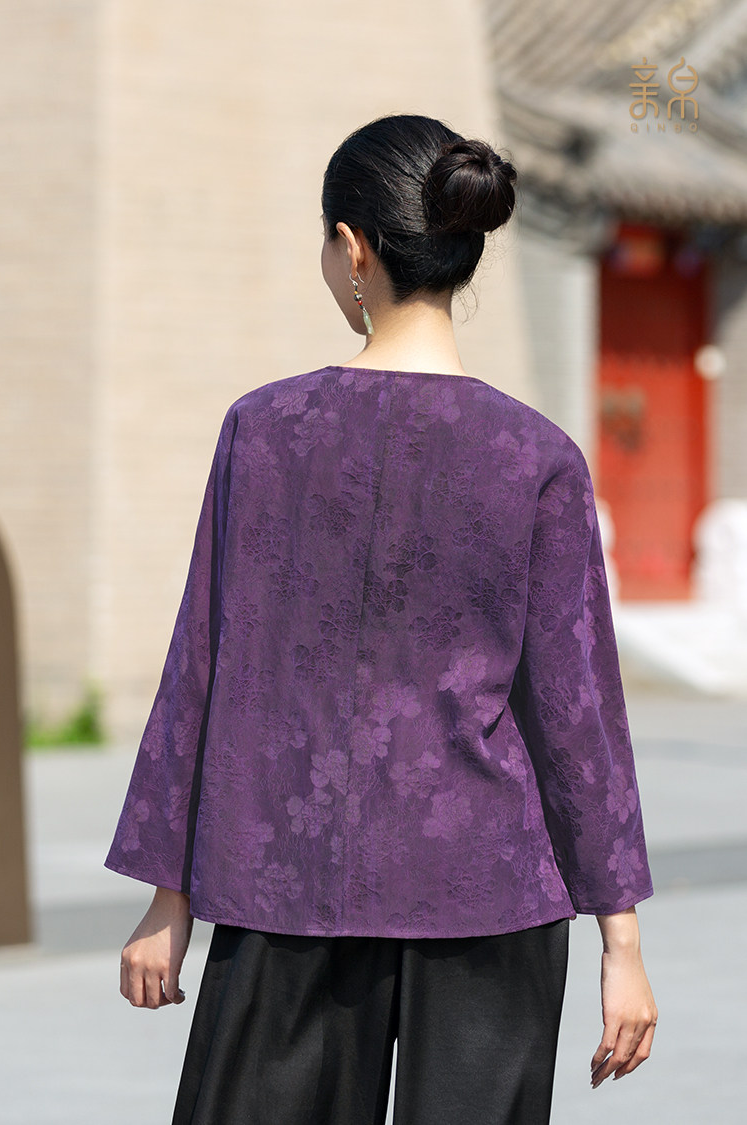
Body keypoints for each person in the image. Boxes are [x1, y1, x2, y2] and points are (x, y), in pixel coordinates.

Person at [106, 113, 657, 1125]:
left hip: (285, 879)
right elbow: (576, 711)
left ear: (353, 247)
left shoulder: (263, 430)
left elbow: (203, 664)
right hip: (488, 890)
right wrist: (620, 942)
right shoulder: (536, 457)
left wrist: (166, 894)